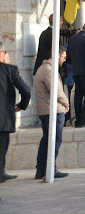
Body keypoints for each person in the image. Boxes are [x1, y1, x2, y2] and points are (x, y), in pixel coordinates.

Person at [34, 46, 70, 180]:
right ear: (57, 56)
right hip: (52, 110)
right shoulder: (49, 71)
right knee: (54, 140)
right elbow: (56, 91)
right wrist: (66, 103)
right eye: (63, 57)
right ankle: (50, 169)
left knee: (46, 140)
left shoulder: (44, 69)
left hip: (46, 110)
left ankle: (41, 169)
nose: (64, 60)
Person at [0, 41, 31, 183]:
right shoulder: (10, 70)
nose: (8, 55)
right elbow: (26, 90)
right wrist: (22, 105)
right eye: (6, 52)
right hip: (3, 117)